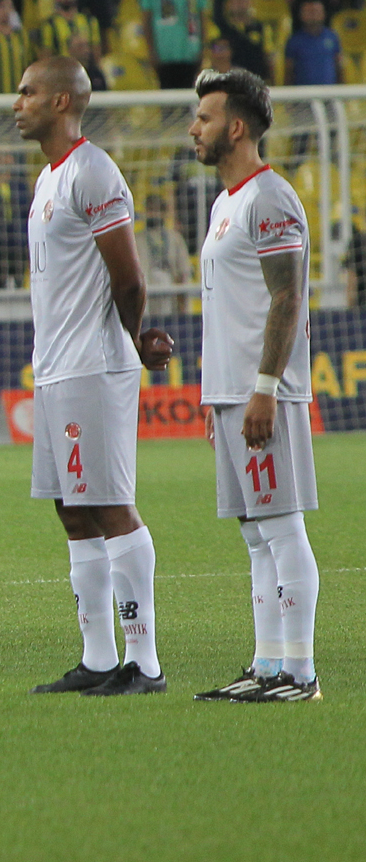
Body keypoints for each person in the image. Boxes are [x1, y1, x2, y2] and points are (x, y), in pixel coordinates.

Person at [15, 57, 174, 696]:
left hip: (94, 364)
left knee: (110, 506)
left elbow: (128, 274)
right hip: (55, 367)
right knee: (73, 512)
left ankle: (146, 663)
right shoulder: (48, 179)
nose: (16, 102)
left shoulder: (93, 171)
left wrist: (136, 339)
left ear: (61, 102)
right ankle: (99, 658)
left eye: (27, 92)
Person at [186, 70, 322, 702]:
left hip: (264, 390)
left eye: (205, 118)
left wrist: (266, 385)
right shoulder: (226, 203)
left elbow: (288, 296)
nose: (194, 128)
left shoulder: (270, 198)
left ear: (235, 127)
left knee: (282, 526)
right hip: (232, 392)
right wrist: (217, 394)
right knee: (255, 532)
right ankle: (268, 664)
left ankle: (301, 671)